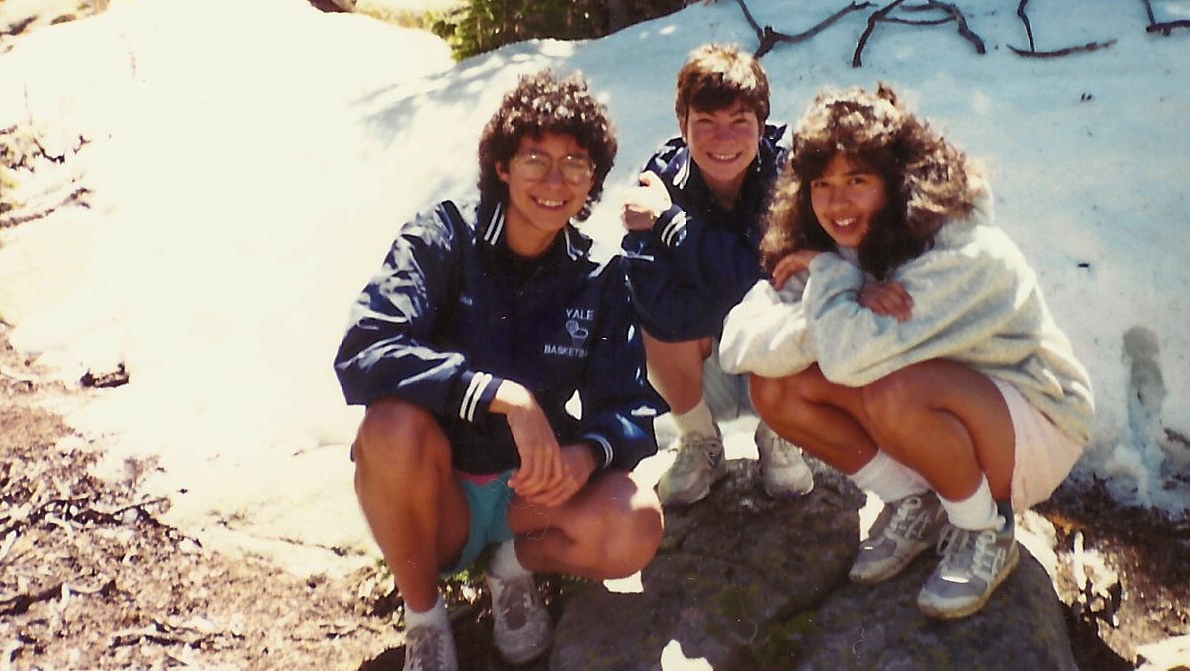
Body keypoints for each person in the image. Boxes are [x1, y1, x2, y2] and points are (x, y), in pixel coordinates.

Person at [719, 84, 1094, 619]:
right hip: (942, 417)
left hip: (1034, 423)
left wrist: (831, 281)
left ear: (896, 181)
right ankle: (913, 501)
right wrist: (840, 293)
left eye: (857, 180)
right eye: (821, 184)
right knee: (774, 386)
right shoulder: (844, 243)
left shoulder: (962, 249)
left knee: (892, 388)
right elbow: (739, 342)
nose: (836, 202)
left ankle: (986, 529)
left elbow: (850, 359)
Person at [334, 70, 664, 670]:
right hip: (438, 496)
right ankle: (426, 617)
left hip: (526, 496)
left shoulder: (596, 276)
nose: (555, 181)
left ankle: (511, 571)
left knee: (635, 521)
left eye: (576, 163)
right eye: (536, 158)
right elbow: (365, 350)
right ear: (503, 166)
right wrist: (498, 394)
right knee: (387, 428)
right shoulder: (444, 237)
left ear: (593, 180)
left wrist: (586, 454)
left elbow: (632, 407)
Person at [620, 43, 814, 506]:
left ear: (762, 125)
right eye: (705, 123)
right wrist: (738, 289)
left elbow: (785, 283)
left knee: (800, 299)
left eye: (739, 123)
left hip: (778, 363)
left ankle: (779, 436)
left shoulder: (791, 175)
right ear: (682, 126)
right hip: (703, 369)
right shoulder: (659, 180)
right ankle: (701, 441)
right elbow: (651, 296)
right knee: (653, 323)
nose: (722, 140)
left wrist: (670, 224)